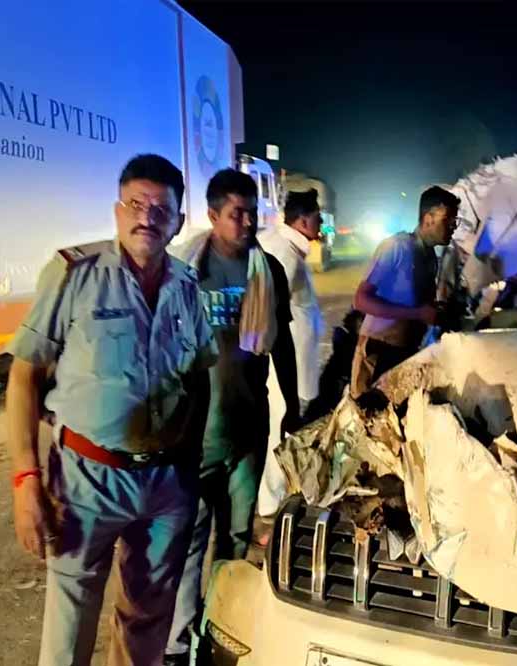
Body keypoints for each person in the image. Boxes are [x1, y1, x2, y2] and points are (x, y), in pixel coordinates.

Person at [4, 154, 218, 666]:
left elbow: (199, 378)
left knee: (147, 623)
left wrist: (190, 466)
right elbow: (24, 375)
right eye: (136, 205)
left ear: (178, 222)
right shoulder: (73, 274)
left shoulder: (187, 287)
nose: (147, 218)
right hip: (87, 481)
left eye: (161, 210)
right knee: (70, 627)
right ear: (118, 211)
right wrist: (26, 480)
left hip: (166, 484)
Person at [166, 169, 298, 664]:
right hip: (194, 432)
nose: (246, 222)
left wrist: (293, 406)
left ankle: (217, 626)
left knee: (238, 536)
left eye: (251, 213)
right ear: (212, 215)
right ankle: (179, 641)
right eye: (236, 213)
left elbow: (282, 344)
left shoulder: (268, 271)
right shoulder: (184, 271)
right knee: (190, 536)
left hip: (248, 426)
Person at [350, 185, 459, 397]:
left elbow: (418, 305)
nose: (453, 227)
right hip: (378, 350)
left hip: (406, 350)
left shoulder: (430, 257)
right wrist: (418, 313)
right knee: (370, 412)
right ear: (429, 218)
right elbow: (361, 300)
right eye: (449, 220)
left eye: (456, 221)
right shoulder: (397, 247)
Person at [256, 188, 324, 517]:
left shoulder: (289, 248)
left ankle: (275, 493)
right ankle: (269, 502)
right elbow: (269, 313)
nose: (321, 223)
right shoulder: (282, 252)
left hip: (294, 364)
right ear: (303, 221)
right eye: (317, 217)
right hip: (284, 367)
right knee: (277, 430)